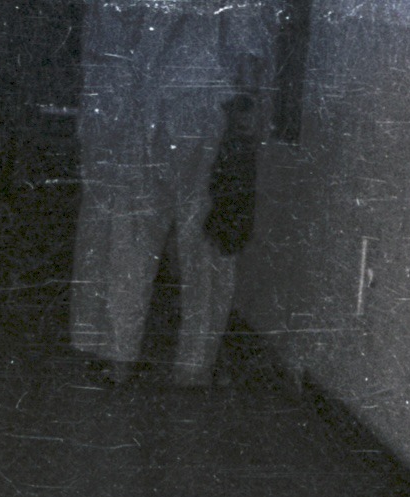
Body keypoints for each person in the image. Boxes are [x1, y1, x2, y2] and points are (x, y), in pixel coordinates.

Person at [69, 0, 277, 387]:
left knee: (136, 234)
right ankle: (193, 364)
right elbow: (248, 48)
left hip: (153, 106)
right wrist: (244, 122)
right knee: (201, 246)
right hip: (203, 107)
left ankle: (120, 356)